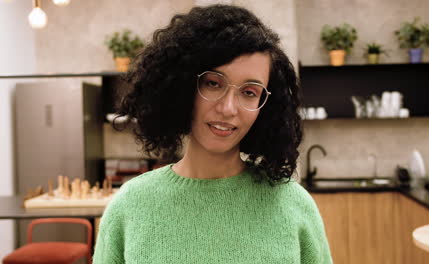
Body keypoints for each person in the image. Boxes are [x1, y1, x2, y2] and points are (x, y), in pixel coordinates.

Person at [93, 4, 332, 264]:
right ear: (182, 86)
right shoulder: (130, 206)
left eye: (249, 92)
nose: (228, 108)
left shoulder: (293, 204)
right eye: (213, 83)